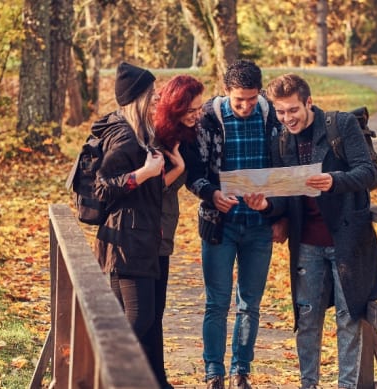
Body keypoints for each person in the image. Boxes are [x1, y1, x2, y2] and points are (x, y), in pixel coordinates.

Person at [243, 73, 377, 389]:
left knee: (348, 318)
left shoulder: (341, 125)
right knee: (306, 320)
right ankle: (309, 383)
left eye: (292, 110)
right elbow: (283, 196)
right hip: (306, 243)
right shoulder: (279, 140)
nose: (287, 118)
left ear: (309, 102)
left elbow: (369, 171)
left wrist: (335, 181)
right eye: (280, 112)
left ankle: (346, 385)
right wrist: (265, 207)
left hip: (347, 239)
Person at [182, 60, 284, 389]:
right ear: (226, 91)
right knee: (217, 302)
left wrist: (275, 212)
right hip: (220, 225)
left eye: (252, 99)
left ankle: (241, 371)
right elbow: (192, 172)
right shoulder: (207, 119)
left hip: (258, 226)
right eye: (239, 99)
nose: (245, 106)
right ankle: (214, 373)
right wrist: (212, 195)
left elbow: (284, 169)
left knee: (249, 304)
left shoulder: (270, 117)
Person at [92, 61, 166, 383]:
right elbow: (101, 188)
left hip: (134, 239)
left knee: (129, 321)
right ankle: (102, 375)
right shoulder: (124, 137)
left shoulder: (135, 133)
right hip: (127, 242)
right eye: (152, 95)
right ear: (138, 98)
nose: (157, 100)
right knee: (139, 320)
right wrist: (144, 174)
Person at [147, 75, 205, 389]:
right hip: (145, 233)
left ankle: (158, 379)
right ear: (176, 106)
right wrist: (178, 169)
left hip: (164, 233)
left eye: (199, 107)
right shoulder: (154, 137)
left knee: (157, 311)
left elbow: (201, 175)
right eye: (192, 108)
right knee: (145, 313)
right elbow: (147, 190)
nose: (198, 113)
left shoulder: (186, 134)